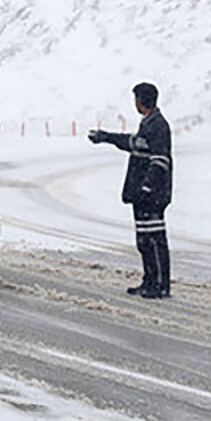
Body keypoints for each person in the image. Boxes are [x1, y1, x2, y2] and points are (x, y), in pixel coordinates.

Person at [87, 82, 172, 298]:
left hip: (152, 196)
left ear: (142, 101)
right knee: (143, 241)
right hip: (143, 196)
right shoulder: (148, 124)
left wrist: (147, 186)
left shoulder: (159, 126)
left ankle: (160, 285)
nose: (135, 103)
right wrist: (106, 137)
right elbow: (132, 143)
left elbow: (160, 161)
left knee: (154, 240)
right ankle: (149, 281)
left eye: (136, 98)